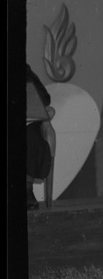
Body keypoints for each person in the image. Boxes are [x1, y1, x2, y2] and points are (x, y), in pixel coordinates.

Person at [26, 64, 56, 210]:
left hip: (27, 123)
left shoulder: (24, 70)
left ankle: (27, 190)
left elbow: (45, 98)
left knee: (31, 134)